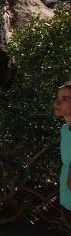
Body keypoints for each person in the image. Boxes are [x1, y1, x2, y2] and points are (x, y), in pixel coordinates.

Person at [53, 82, 71, 221]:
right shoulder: (65, 129)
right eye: (57, 97)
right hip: (66, 203)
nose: (57, 102)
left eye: (65, 98)